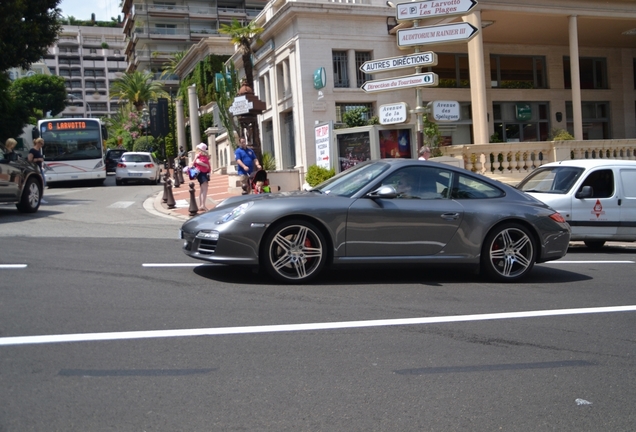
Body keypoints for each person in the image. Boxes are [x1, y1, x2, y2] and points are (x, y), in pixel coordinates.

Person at [192, 143, 211, 211]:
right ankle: (203, 205)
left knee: (202, 189)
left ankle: (201, 205)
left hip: (203, 173)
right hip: (202, 173)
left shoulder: (200, 155)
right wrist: (206, 165)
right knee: (205, 189)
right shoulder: (199, 155)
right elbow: (197, 162)